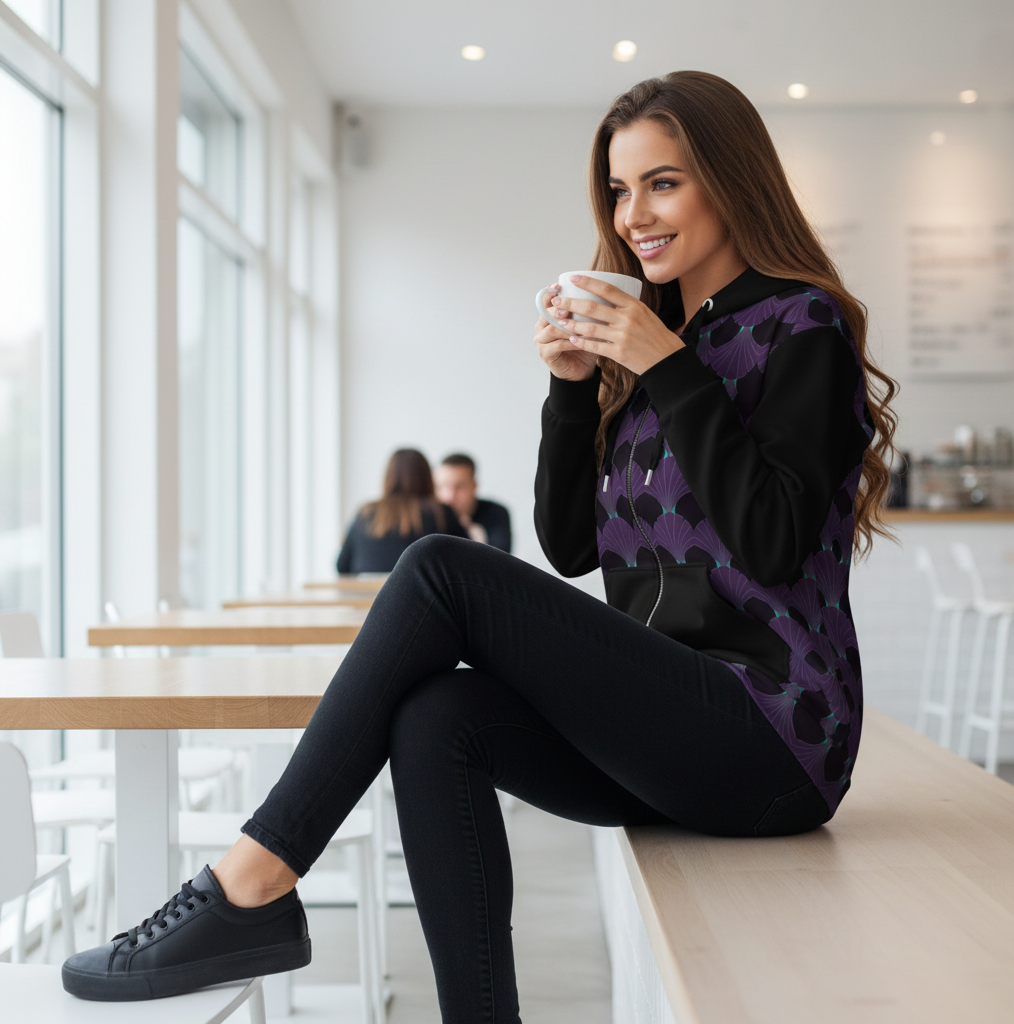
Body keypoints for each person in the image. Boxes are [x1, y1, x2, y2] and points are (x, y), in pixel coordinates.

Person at [63, 71, 897, 1022]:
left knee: (437, 565)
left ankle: (252, 880)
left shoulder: (801, 324)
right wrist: (574, 388)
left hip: (774, 738)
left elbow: (774, 542)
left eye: (662, 183)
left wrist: (664, 366)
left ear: (731, 179)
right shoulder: (657, 340)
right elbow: (572, 546)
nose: (633, 216)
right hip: (670, 727)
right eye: (619, 191)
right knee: (435, 714)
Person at [335, 448, 467, 574]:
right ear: (427, 477)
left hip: (367, 590)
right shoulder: (440, 513)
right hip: (419, 590)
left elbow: (341, 565)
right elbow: (466, 563)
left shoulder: (365, 512)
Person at [434, 452, 513, 552]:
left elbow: (502, 557)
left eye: (459, 487)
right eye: (442, 486)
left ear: (474, 485)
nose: (449, 495)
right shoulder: (429, 516)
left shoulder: (496, 513)